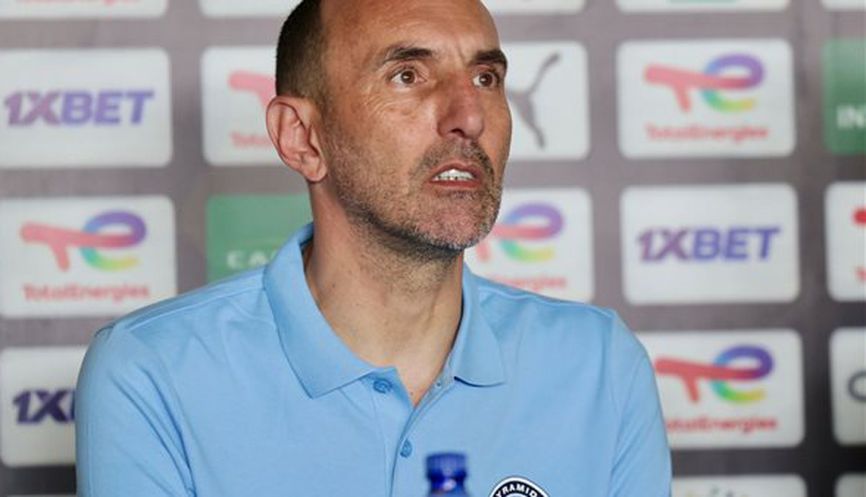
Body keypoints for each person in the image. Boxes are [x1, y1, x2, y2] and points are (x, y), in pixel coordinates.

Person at [75, 0, 672, 495]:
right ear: (302, 138)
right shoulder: (153, 372)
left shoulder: (598, 364)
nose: (469, 115)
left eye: (485, 78)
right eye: (407, 75)